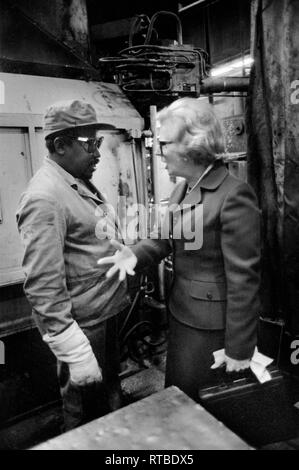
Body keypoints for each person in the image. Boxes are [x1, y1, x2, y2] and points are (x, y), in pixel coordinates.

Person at [98, 97, 261, 402]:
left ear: (193, 146)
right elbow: (164, 240)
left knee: (206, 407)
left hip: (212, 326)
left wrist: (240, 349)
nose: (159, 152)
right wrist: (133, 253)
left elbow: (244, 280)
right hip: (183, 314)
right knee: (180, 396)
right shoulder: (182, 187)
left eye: (165, 143)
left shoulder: (234, 196)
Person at [16, 99, 130, 430]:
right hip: (82, 326)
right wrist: (75, 350)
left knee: (108, 394)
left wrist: (118, 248)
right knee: (85, 411)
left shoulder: (75, 180)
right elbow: (42, 285)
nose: (97, 152)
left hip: (101, 313)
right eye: (88, 144)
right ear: (60, 145)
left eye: (98, 142)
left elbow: (85, 238)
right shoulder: (44, 197)